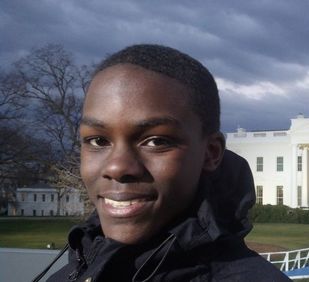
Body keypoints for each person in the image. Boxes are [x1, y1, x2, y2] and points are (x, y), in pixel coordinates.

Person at [35, 44, 291, 281]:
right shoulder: (67, 275)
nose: (117, 168)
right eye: (98, 141)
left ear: (211, 153)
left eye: (156, 141)